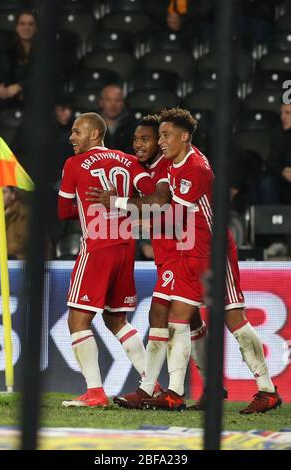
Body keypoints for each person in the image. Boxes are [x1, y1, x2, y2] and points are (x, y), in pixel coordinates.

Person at [89, 108, 282, 414]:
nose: (157, 143)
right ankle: (167, 389)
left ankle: (261, 389)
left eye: (161, 136)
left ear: (184, 136)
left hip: (210, 252)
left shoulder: (195, 169)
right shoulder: (170, 162)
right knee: (172, 316)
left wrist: (122, 207)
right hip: (185, 250)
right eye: (155, 137)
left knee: (228, 319)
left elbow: (164, 209)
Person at [88, 114, 222, 411]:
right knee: (187, 320)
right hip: (169, 252)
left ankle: (158, 389)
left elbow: (161, 203)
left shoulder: (165, 168)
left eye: (148, 138)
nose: (141, 144)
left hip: (182, 252)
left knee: (164, 316)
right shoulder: (146, 167)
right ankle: (209, 387)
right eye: (137, 139)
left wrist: (121, 204)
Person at [58, 112, 158, 408]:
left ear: (94, 134)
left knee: (78, 319)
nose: (71, 137)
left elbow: (64, 211)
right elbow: (153, 193)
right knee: (116, 319)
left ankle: (95, 392)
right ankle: (151, 384)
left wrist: (90, 207)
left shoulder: (73, 164)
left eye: (77, 132)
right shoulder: (129, 160)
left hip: (98, 247)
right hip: (127, 245)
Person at [0, 10, 38, 106]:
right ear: (17, 27)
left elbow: (46, 76)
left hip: (36, 103)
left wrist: (20, 86)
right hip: (10, 102)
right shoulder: (7, 49)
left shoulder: (45, 51)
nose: (26, 27)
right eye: (22, 24)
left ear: (36, 28)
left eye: (30, 24)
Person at [99, 84, 137, 154]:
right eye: (108, 100)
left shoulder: (133, 126)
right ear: (101, 102)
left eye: (118, 100)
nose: (113, 104)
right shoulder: (92, 124)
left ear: (123, 103)